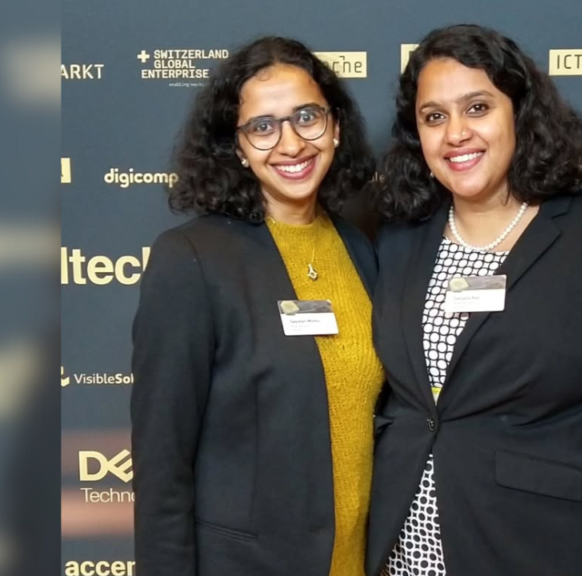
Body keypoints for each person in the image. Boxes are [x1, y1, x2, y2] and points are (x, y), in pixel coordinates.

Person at [367, 24, 582, 576]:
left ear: (520, 112)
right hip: (405, 551)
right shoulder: (394, 238)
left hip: (538, 547)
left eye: (478, 107)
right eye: (434, 117)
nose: (456, 133)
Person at [130, 36, 383, 576]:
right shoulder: (192, 259)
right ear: (238, 147)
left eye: (307, 117)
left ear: (335, 126)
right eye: (263, 127)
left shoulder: (358, 247)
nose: (290, 144)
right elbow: (163, 461)